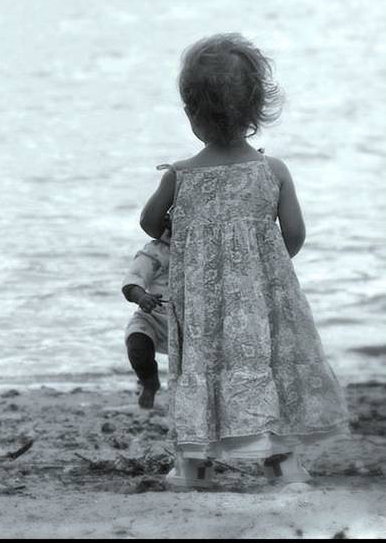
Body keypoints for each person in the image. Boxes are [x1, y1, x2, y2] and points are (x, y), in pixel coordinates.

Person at [139, 33, 349, 489]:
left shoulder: (182, 175)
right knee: (267, 367)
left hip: (200, 305)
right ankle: (283, 466)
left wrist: (175, 205)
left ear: (191, 112)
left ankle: (194, 467)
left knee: (200, 370)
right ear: (257, 111)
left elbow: (151, 225)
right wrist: (260, 271)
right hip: (260, 302)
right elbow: (293, 236)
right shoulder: (272, 172)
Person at [121, 214, 171, 409]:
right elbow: (134, 277)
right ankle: (149, 381)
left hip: (191, 325)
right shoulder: (156, 252)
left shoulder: (207, 250)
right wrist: (141, 296)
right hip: (154, 316)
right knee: (137, 346)